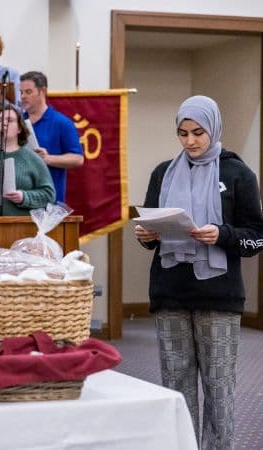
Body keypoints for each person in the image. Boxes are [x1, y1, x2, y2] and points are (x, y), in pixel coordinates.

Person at [134, 96, 263, 450]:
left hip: (219, 297)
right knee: (176, 384)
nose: (190, 141)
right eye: (183, 133)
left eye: (198, 132)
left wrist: (222, 234)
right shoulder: (163, 172)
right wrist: (146, 235)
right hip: (169, 292)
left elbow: (257, 235)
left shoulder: (237, 173)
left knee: (219, 386)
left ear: (214, 128)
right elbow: (152, 235)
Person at [19, 71, 83, 202]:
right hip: (21, 201)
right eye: (21, 92)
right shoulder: (17, 122)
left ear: (42, 91)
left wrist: (47, 159)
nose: (23, 96)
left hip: (50, 203)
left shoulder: (62, 122)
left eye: (28, 92)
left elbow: (78, 159)